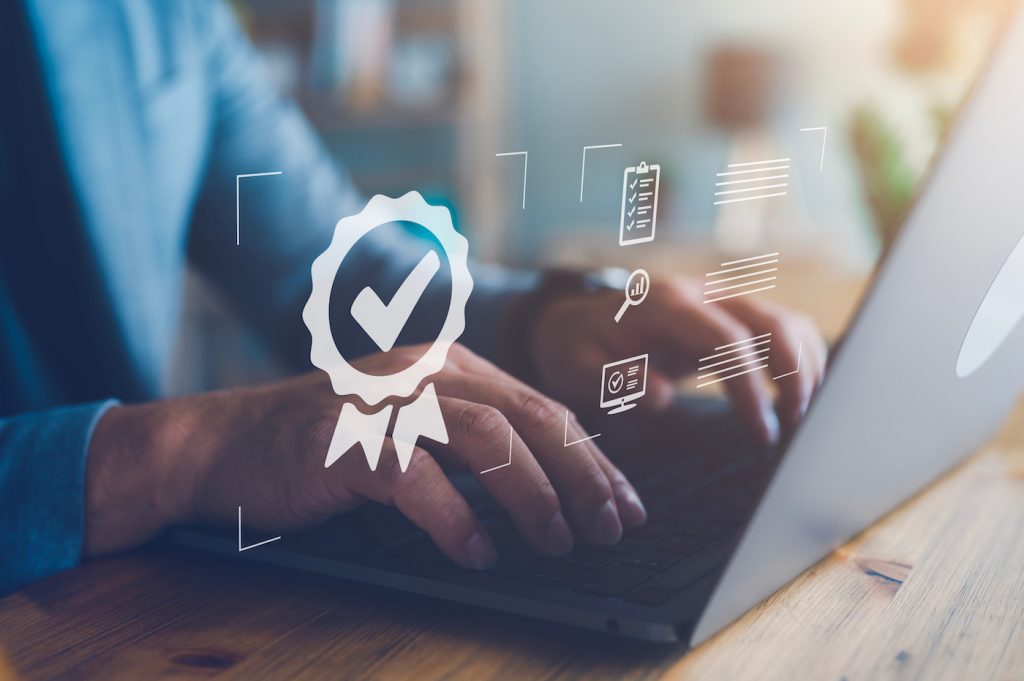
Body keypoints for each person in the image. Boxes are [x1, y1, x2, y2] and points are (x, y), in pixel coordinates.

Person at [0, 0, 826, 595]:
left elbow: (334, 271)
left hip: (125, 607)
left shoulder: (167, 16)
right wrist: (182, 451)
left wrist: (553, 320)